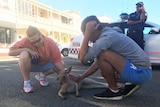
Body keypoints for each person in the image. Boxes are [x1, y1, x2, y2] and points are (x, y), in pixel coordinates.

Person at [71, 15, 152, 100]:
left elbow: (83, 58)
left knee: (103, 55)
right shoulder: (109, 34)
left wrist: (87, 35)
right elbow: (96, 64)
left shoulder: (106, 38)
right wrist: (81, 78)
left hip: (141, 73)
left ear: (93, 30)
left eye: (86, 33)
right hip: (143, 71)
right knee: (104, 68)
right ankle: (130, 84)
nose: (88, 39)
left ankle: (114, 91)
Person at [8, 26, 66, 93]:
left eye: (38, 40)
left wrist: (65, 75)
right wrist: (27, 49)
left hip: (44, 64)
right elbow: (10, 52)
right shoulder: (25, 41)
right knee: (24, 54)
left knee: (61, 64)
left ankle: (41, 76)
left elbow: (57, 61)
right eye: (33, 43)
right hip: (30, 65)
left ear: (41, 35)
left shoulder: (50, 42)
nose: (36, 44)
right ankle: (27, 83)